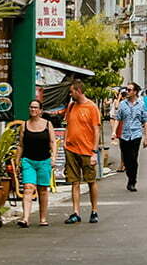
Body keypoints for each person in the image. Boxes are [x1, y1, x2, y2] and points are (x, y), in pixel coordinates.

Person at [63, 79, 102, 224]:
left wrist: (94, 151)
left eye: (72, 91)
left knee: (91, 181)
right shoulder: (71, 106)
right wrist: (66, 143)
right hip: (71, 149)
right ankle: (76, 212)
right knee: (74, 182)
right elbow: (68, 125)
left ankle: (94, 210)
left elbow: (96, 130)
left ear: (78, 91)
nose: (70, 94)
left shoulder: (91, 107)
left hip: (86, 150)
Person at [14, 99, 56, 227]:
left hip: (44, 160)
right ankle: (25, 218)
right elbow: (21, 145)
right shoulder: (24, 125)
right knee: (28, 188)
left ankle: (43, 218)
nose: (33, 110)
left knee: (43, 189)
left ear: (40, 110)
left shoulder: (48, 124)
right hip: (28, 161)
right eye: (31, 107)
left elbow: (52, 142)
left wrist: (53, 157)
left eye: (36, 107)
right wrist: (17, 161)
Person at [112, 82, 147, 192]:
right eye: (126, 90)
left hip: (136, 135)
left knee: (133, 158)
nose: (127, 92)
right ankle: (130, 175)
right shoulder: (123, 104)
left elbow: (145, 121)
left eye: (129, 90)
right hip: (124, 135)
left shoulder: (141, 104)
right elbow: (118, 119)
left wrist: (146, 137)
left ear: (135, 92)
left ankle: (132, 181)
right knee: (127, 160)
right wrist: (114, 132)